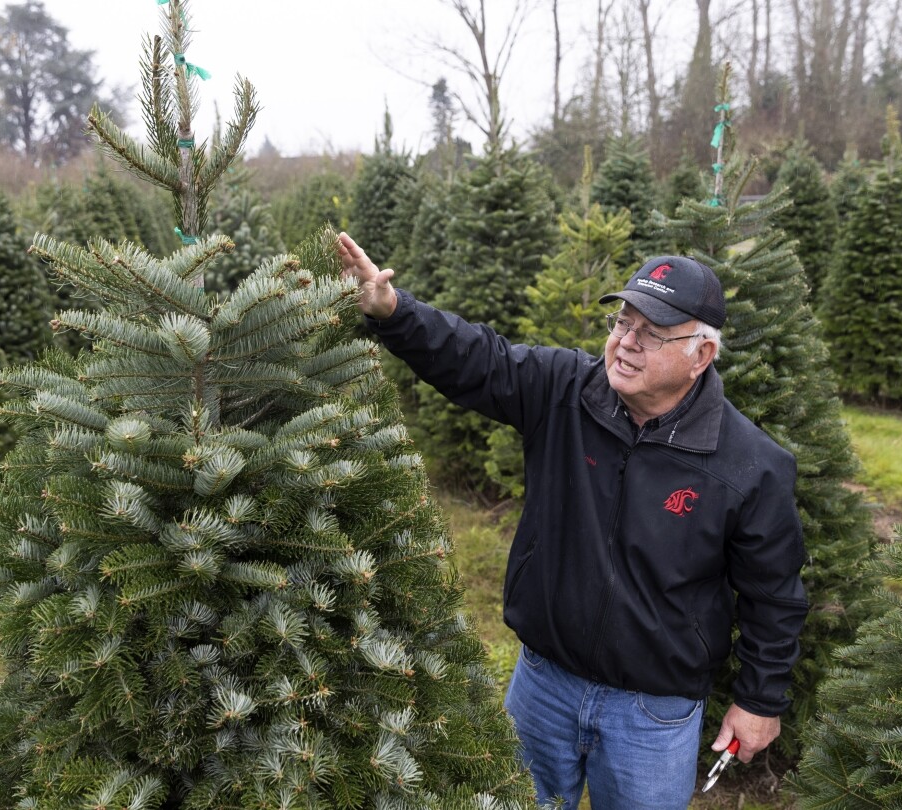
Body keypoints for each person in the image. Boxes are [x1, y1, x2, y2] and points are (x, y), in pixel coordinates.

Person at [337, 233, 809, 810]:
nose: (626, 344)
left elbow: (774, 595)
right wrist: (393, 312)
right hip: (542, 684)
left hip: (652, 712)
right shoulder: (566, 391)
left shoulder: (749, 465)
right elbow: (476, 358)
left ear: (701, 355)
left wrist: (760, 702)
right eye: (622, 323)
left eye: (652, 333)